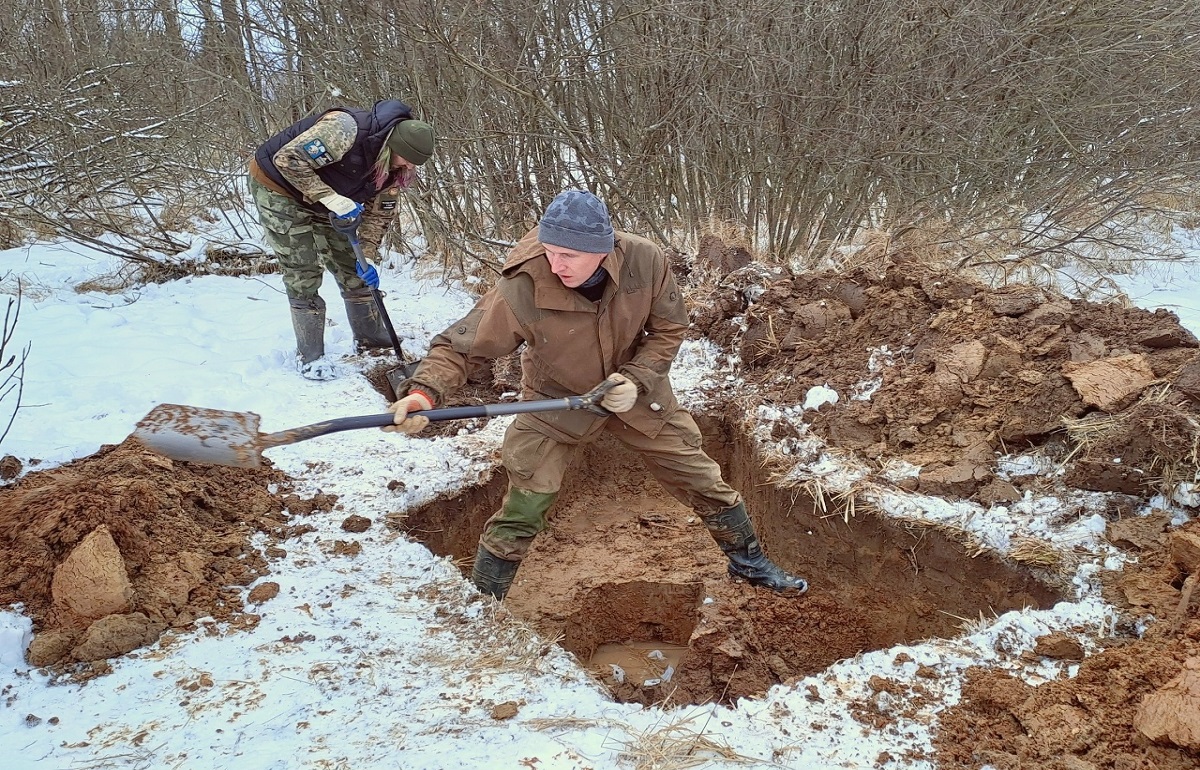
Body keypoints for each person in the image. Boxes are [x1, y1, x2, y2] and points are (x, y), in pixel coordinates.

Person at [383, 189, 808, 600]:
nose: (557, 264)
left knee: (701, 477)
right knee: (525, 507)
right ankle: (483, 603)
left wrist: (636, 378)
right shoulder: (523, 285)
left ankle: (750, 564)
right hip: (554, 402)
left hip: (636, 395)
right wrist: (423, 393)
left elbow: (669, 329)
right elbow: (460, 348)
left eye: (569, 255)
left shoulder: (645, 261)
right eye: (550, 251)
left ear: (602, 250)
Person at [248, 99, 435, 380]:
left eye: (414, 163)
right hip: (279, 188)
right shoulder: (345, 129)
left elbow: (379, 216)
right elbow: (288, 160)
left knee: (352, 265)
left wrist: (367, 255)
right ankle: (310, 355)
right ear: (391, 146)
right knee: (303, 268)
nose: (408, 166)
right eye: (405, 158)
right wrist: (329, 198)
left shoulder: (398, 171)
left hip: (332, 197)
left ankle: (370, 337)